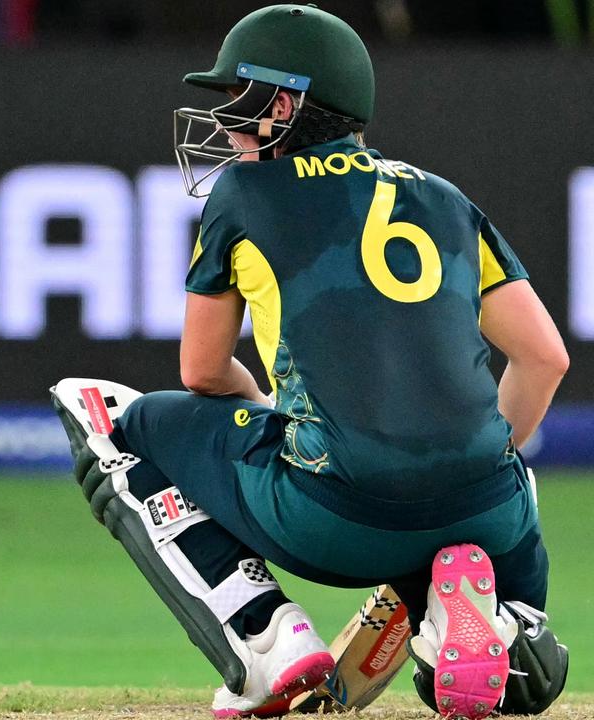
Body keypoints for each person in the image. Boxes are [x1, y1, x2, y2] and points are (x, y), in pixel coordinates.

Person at [50, 4, 570, 718]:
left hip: (334, 520)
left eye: (240, 101)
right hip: (491, 513)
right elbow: (545, 358)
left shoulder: (246, 193)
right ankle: (502, 630)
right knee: (516, 660)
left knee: (114, 420)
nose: (228, 123)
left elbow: (201, 372)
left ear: (284, 104)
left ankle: (267, 642)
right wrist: (468, 473)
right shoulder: (445, 198)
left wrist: (273, 422)